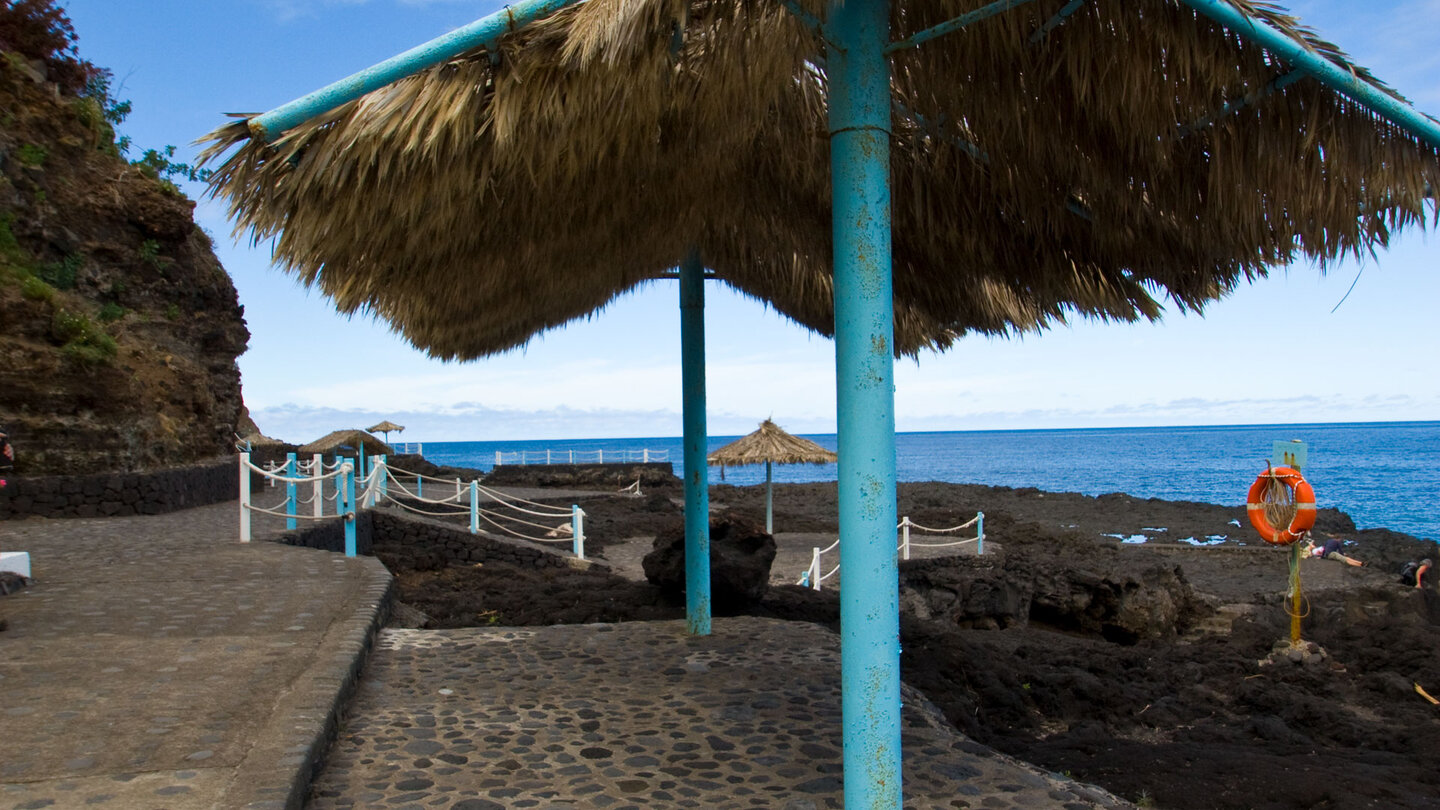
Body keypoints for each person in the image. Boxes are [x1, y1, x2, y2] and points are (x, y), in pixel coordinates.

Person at [1303, 533, 1367, 567]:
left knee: (1346, 558)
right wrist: (1342, 555)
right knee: (1345, 559)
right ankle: (1360, 565)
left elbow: (1324, 549)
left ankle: (1361, 563)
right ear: (1338, 539)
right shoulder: (1337, 542)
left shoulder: (1329, 540)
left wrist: (1322, 557)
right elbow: (1340, 550)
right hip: (1332, 554)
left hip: (1328, 554)